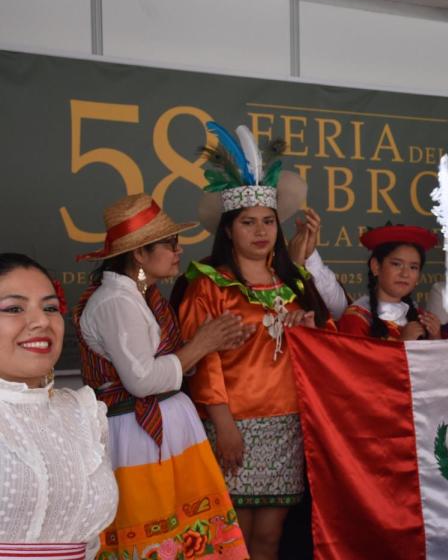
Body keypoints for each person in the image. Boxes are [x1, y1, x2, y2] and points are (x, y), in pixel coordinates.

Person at [173, 122, 331, 560]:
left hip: (286, 423)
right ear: (228, 230)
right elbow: (204, 363)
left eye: (268, 222)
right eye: (248, 223)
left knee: (270, 538)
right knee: (233, 536)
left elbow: (325, 351)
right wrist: (224, 426)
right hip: (234, 423)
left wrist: (308, 333)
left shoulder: (293, 280)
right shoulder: (209, 284)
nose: (261, 232)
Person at [74, 194, 252, 559]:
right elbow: (141, 381)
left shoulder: (142, 295)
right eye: (170, 243)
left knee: (186, 532)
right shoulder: (116, 302)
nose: (178, 249)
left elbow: (163, 365)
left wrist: (212, 341)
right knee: (151, 531)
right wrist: (201, 344)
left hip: (166, 429)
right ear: (139, 254)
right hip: (138, 435)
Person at [0, 253, 118, 559]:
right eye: (14, 308)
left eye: (50, 307)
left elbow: (91, 543)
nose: (42, 321)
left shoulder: (82, 413)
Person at [338, 224, 442, 340]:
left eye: (413, 267)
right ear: (376, 267)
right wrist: (403, 343)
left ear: (418, 277)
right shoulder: (356, 318)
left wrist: (435, 337)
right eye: (396, 264)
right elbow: (351, 358)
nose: (405, 274)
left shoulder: (422, 319)